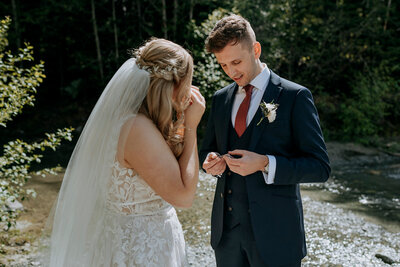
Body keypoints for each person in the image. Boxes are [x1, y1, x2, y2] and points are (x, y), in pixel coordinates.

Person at [46, 38, 205, 266]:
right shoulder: (137, 130)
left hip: (123, 240)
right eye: (188, 82)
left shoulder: (124, 120)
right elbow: (183, 197)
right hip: (144, 250)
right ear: (174, 84)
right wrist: (191, 126)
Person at [199, 14, 330, 267]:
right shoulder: (220, 99)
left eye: (236, 61)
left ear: (256, 49)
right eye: (223, 65)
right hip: (227, 236)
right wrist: (210, 161)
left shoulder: (295, 96)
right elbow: (207, 149)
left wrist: (265, 163)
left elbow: (320, 167)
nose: (231, 72)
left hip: (277, 236)